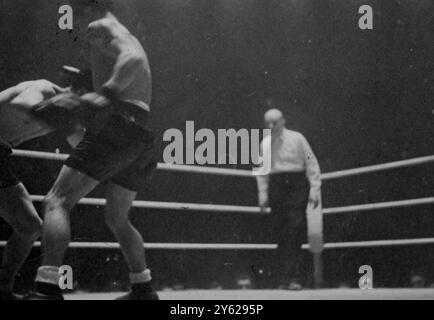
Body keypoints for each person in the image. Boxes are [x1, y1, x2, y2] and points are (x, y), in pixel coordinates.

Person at [30, 0, 158, 300]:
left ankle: (47, 287)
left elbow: (134, 59)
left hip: (119, 125)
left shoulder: (98, 26)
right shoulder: (119, 29)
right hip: (140, 133)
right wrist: (85, 90)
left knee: (56, 201)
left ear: (84, 8)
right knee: (116, 216)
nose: (72, 21)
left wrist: (107, 92)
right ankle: (143, 289)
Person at [0, 77, 81, 300]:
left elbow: (81, 145)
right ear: (75, 91)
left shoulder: (69, 116)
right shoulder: (44, 89)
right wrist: (61, 114)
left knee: (30, 227)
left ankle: (3, 288)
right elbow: (22, 104)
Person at [256, 109, 321, 290]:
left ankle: (295, 277)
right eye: (267, 123)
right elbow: (262, 173)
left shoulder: (298, 139)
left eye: (274, 122)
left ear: (283, 121)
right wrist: (262, 195)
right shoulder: (264, 144)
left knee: (295, 229)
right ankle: (284, 279)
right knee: (280, 232)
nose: (271, 126)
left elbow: (311, 163)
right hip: (277, 186)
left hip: (296, 184)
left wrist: (315, 190)